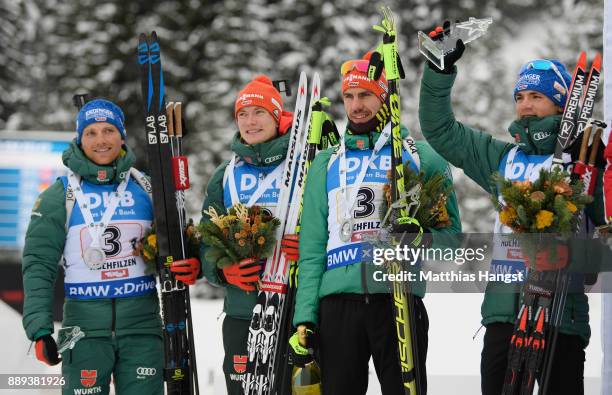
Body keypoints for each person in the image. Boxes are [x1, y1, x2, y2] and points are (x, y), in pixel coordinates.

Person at [418, 29, 608, 394]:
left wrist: (578, 247)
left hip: (560, 316)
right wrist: (439, 73)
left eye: (537, 96)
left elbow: (603, 236)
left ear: (560, 104)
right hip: (504, 313)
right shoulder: (502, 159)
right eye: (520, 96)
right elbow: (441, 131)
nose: (525, 105)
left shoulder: (585, 163)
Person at [290, 52, 461, 395]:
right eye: (350, 96)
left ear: (385, 96)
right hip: (337, 306)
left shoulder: (419, 157)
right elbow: (310, 252)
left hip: (397, 300)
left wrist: (421, 238)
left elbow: (453, 239)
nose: (356, 105)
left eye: (366, 94)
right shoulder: (326, 163)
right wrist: (304, 318)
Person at [21, 98, 199, 395]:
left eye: (108, 131)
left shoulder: (147, 188)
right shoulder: (59, 195)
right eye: (91, 132)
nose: (100, 140)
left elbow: (181, 243)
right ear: (79, 139)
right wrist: (39, 329)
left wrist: (193, 263)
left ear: (122, 136)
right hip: (83, 330)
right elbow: (38, 262)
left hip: (142, 328)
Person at [198, 75, 295, 394]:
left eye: (260, 112)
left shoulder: (303, 164)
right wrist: (223, 271)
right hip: (242, 310)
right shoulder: (224, 174)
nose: (250, 121)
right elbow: (207, 242)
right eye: (243, 114)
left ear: (277, 115)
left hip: (293, 307)